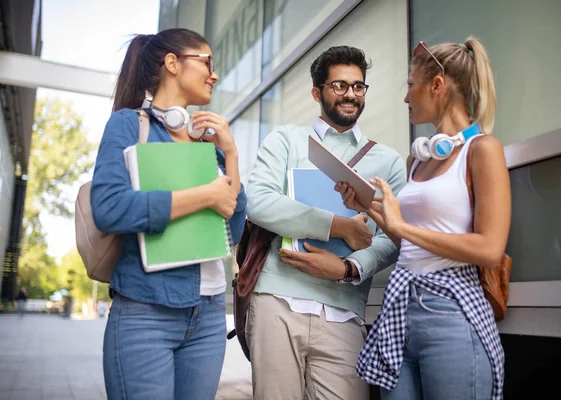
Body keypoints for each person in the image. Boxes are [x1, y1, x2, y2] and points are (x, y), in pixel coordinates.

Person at [338, 37, 510, 399]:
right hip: (400, 309)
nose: (405, 98)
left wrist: (401, 225)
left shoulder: (483, 151)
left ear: (437, 85)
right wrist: (370, 209)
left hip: (451, 311)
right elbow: (410, 243)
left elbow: (490, 248)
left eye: (411, 86)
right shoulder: (417, 159)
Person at [90, 28, 247, 400]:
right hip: (145, 312)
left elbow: (234, 227)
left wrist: (232, 155)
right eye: (207, 61)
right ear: (172, 64)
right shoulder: (130, 125)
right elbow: (109, 208)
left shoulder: (207, 142)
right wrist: (204, 195)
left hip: (208, 316)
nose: (215, 73)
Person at [245, 45, 407, 400]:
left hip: (345, 310)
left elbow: (396, 236)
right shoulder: (286, 140)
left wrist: (348, 267)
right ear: (317, 92)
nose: (351, 94)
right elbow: (257, 203)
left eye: (358, 86)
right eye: (339, 85)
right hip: (278, 299)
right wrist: (337, 225)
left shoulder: (389, 161)